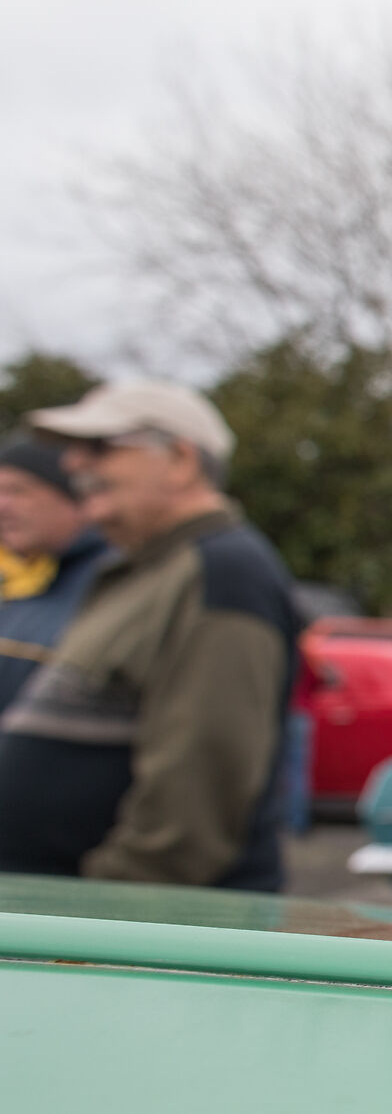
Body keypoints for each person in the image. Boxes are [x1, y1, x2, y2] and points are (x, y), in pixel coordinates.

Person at [0, 381, 298, 890]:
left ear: (181, 460)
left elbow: (196, 797)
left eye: (99, 447)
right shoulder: (151, 570)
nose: (73, 465)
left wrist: (96, 921)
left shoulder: (222, 571)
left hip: (125, 935)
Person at [0, 436, 110, 713]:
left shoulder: (113, 580)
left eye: (18, 491)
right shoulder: (26, 578)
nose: (2, 506)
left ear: (76, 497)